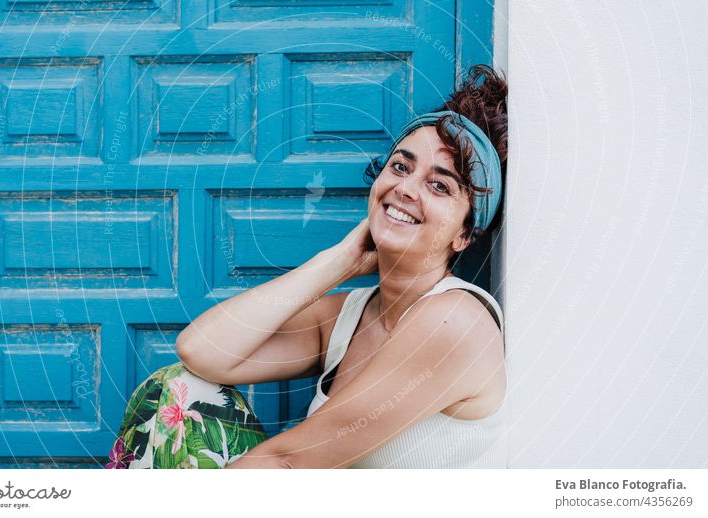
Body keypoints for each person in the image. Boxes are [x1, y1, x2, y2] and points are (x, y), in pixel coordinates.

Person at [106, 65, 508, 469]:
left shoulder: (456, 322)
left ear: (463, 235)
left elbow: (291, 462)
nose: (404, 188)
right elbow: (200, 352)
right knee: (176, 388)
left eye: (439, 185)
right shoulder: (350, 317)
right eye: (400, 167)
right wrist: (338, 261)